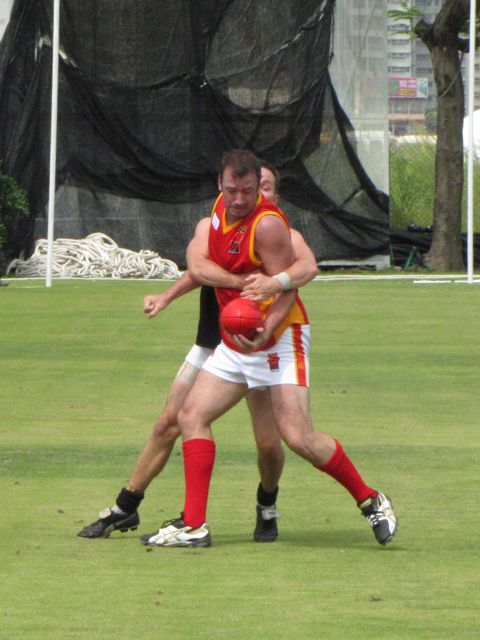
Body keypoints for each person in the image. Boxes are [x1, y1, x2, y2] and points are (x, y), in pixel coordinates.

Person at [141, 149, 398, 549]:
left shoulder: (269, 227)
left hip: (280, 338)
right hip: (237, 340)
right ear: (220, 184)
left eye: (248, 191)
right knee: (191, 415)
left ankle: (371, 500)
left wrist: (269, 325)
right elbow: (198, 265)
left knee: (298, 437)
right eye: (233, 190)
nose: (240, 198)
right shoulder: (218, 212)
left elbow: (292, 285)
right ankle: (193, 525)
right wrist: (188, 293)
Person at [77, 162, 319, 543]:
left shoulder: (282, 233)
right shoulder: (219, 223)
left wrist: (273, 284)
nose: (252, 195)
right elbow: (198, 268)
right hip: (212, 341)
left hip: (258, 344)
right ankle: (127, 506)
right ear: (224, 186)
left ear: (273, 194)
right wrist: (167, 296)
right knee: (170, 421)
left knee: (269, 443)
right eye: (244, 188)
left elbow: (306, 267)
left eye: (264, 187)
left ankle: (266, 503)